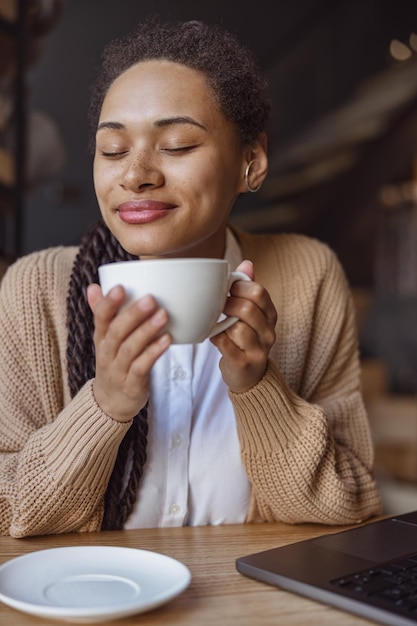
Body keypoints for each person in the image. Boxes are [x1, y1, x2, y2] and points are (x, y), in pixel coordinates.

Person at [0, 16, 381, 537]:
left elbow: (352, 503)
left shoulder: (308, 274)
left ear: (253, 161)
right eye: (112, 150)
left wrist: (258, 387)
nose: (135, 174)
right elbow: (7, 512)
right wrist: (105, 404)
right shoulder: (33, 292)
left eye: (177, 144)